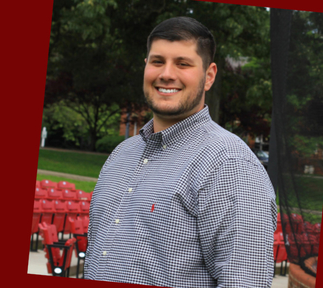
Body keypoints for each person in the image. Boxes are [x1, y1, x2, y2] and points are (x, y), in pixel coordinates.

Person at [84, 16, 277, 288]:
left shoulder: (229, 164)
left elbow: (244, 282)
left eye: (183, 64)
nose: (166, 74)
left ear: (209, 76)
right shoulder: (122, 153)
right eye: (157, 61)